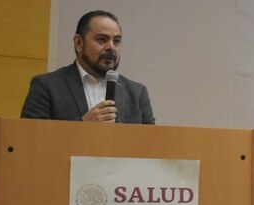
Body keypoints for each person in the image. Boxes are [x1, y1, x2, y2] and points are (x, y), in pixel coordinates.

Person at [20, 10, 155, 124]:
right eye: (102, 39)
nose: (111, 47)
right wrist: (83, 126)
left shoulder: (137, 93)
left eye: (117, 41)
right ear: (79, 43)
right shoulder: (47, 86)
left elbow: (151, 146)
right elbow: (30, 141)